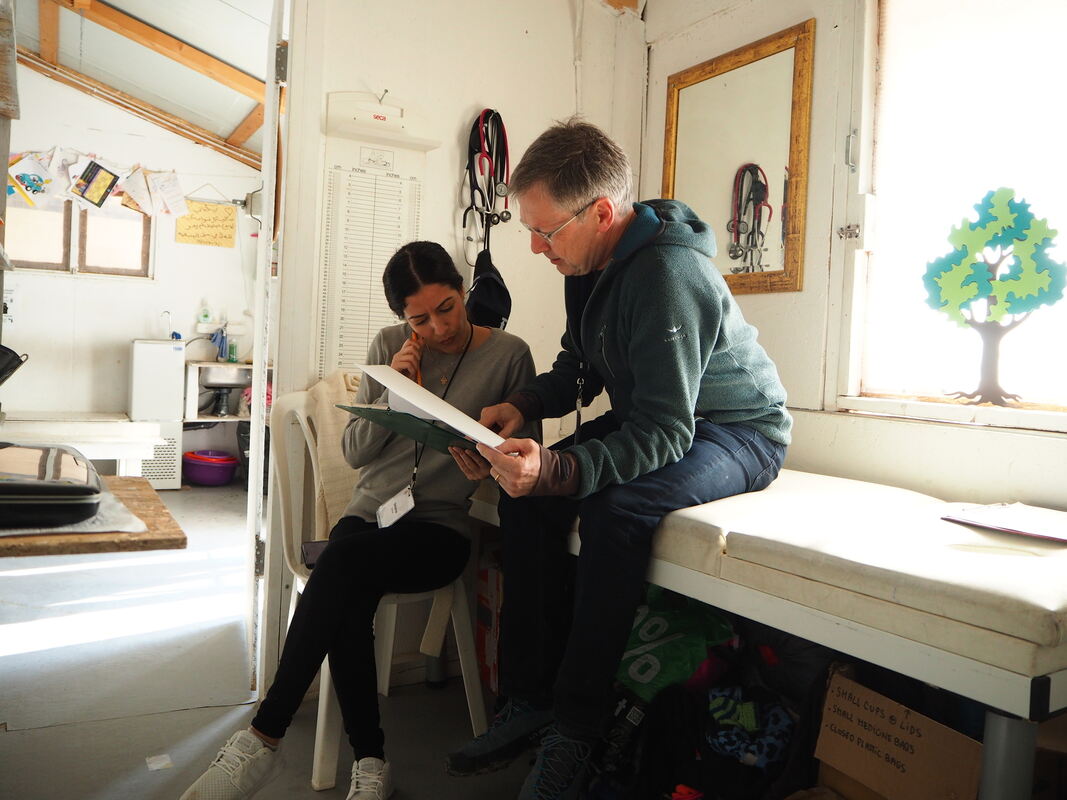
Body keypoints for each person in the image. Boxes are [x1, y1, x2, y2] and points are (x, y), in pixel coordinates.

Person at [445, 119, 792, 800]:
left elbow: (665, 433)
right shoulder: (586, 263)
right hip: (660, 416)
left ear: (601, 213)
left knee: (616, 511)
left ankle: (577, 726)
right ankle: (529, 697)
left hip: (737, 429)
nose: (537, 247)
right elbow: (580, 366)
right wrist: (521, 404)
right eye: (530, 230)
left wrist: (558, 469)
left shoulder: (668, 276)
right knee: (527, 499)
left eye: (546, 232)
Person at [180, 241, 536, 800]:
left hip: (439, 527)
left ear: (463, 290)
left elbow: (520, 459)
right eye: (420, 319)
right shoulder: (390, 347)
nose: (439, 328)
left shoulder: (510, 355)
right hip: (370, 515)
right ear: (402, 319)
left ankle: (263, 739)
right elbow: (355, 453)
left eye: (447, 308)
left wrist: (489, 464)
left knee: (339, 565)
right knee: (347, 588)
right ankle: (370, 763)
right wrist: (396, 392)